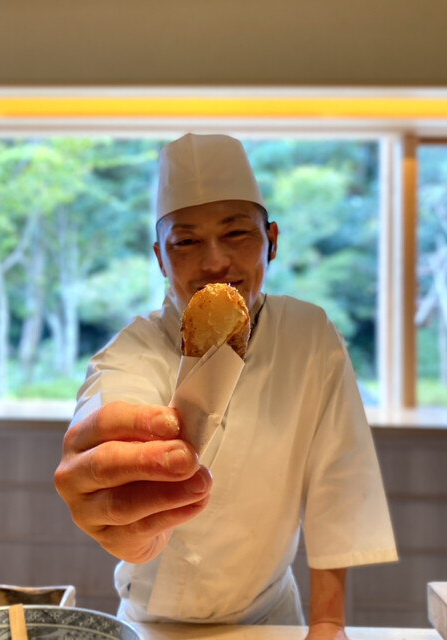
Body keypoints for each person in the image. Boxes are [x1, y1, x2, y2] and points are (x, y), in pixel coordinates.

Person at [55, 133, 398, 640]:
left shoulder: (310, 335)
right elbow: (108, 421)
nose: (215, 262)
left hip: (272, 615)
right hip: (152, 621)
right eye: (186, 242)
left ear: (272, 240)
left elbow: (338, 479)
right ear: (160, 257)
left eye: (237, 233)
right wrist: (121, 516)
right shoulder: (131, 351)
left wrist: (328, 622)